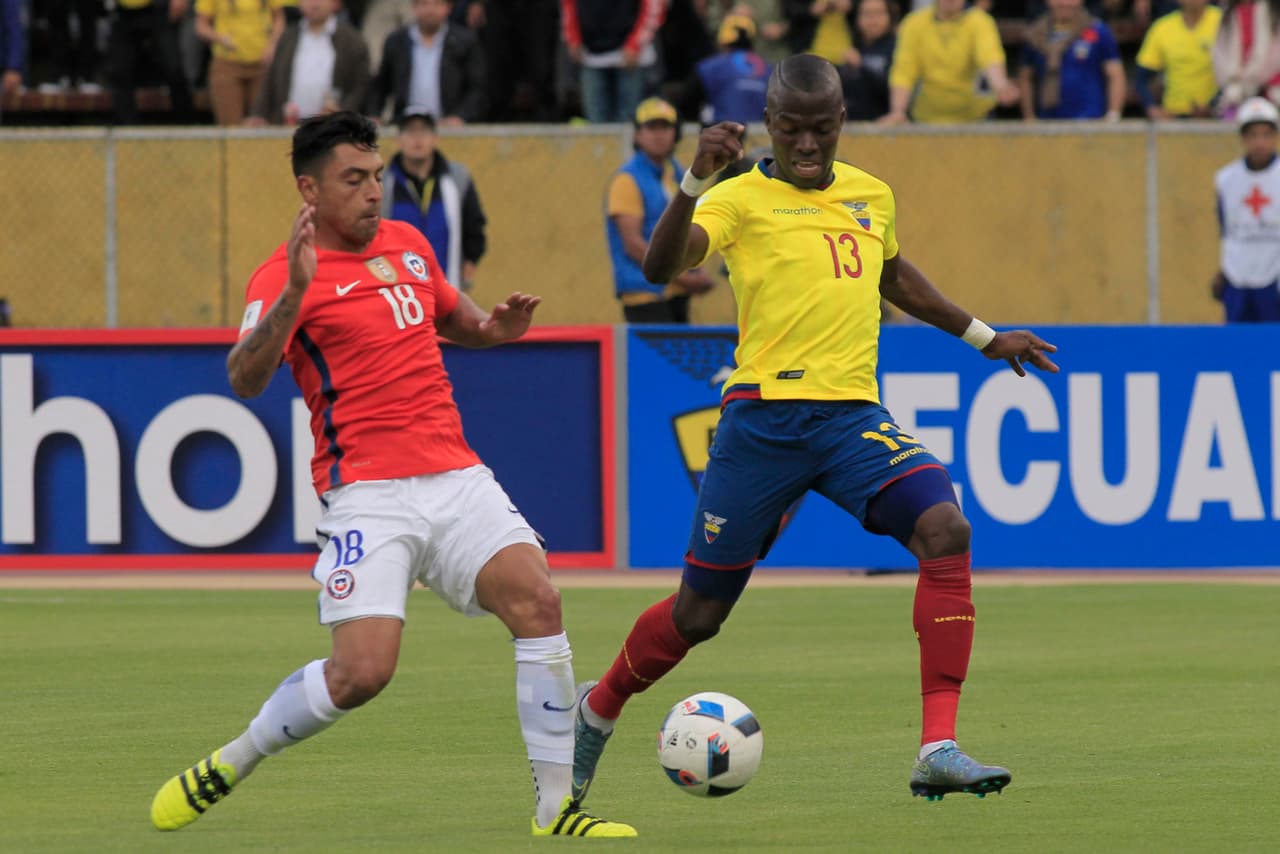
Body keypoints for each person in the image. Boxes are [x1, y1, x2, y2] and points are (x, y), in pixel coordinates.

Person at [570, 55, 1059, 824]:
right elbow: (660, 264)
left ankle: (936, 748)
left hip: (851, 420)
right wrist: (695, 178)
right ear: (770, 124)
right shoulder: (738, 197)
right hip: (761, 423)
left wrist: (985, 337)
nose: (807, 145)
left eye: (822, 130)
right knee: (699, 616)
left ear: (841, 124)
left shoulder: (872, 194)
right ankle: (598, 706)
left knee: (945, 526)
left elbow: (894, 277)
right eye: (792, 130)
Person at [147, 111, 635, 839]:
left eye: (377, 176)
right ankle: (237, 757)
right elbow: (244, 377)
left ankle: (556, 809)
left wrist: (494, 329)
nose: (374, 192)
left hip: (455, 473)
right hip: (368, 495)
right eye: (355, 179)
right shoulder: (282, 274)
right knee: (362, 674)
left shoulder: (409, 245)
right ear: (309, 190)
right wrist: (293, 294)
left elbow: (455, 318)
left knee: (539, 603)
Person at [606, 97, 715, 322]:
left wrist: (694, 271)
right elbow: (634, 245)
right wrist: (685, 278)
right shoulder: (627, 179)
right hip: (644, 294)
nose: (659, 134)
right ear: (637, 135)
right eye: (650, 127)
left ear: (676, 134)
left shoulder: (676, 174)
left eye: (665, 127)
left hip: (675, 293)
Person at [382, 107, 487, 291]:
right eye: (410, 131)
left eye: (424, 131)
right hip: (396, 292)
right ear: (397, 140)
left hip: (448, 289)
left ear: (436, 138)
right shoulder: (382, 182)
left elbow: (475, 228)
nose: (417, 138)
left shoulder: (458, 178)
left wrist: (467, 271)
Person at [882, 0, 1018, 124]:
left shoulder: (981, 21)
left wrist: (1001, 86)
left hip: (975, 120)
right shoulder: (914, 23)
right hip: (926, 120)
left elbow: (990, 57)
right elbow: (903, 72)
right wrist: (898, 111)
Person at [249, 0, 371, 125]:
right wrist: (259, 114)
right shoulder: (288, 37)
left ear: (335, 3)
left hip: (333, 129)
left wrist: (342, 113)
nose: (314, 4)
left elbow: (360, 86)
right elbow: (270, 80)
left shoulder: (352, 40)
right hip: (288, 125)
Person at [1213, 96, 1280, 321]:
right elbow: (1227, 230)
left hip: (1274, 276)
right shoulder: (1226, 178)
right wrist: (1224, 270)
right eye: (1253, 135)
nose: (1260, 143)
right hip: (1237, 277)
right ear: (1243, 138)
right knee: (1235, 346)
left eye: (1266, 135)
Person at [367, 0, 488, 124]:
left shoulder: (465, 42)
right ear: (414, 7)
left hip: (450, 128)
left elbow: (477, 88)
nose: (430, 10)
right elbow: (380, 86)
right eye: (424, 3)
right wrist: (374, 115)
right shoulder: (396, 41)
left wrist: (461, 116)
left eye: (437, 4)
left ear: (448, 8)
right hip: (405, 128)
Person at [561, 0, 666, 123]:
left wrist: (635, 44)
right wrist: (573, 37)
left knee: (629, 118)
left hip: (630, 55)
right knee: (595, 118)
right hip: (590, 54)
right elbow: (568, 5)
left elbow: (654, 6)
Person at [1018, 0, 1125, 121]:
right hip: (1047, 123)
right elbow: (1025, 77)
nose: (1065, 3)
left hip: (1090, 120)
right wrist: (1029, 116)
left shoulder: (1098, 31)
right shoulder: (1035, 35)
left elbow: (1116, 75)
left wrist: (1114, 113)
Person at [194, 0, 288, 125]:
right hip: (227, 64)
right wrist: (221, 39)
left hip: (262, 65)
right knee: (231, 126)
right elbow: (201, 25)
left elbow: (279, 17)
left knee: (262, 123)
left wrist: (273, 44)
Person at [107, 0, 194, 125]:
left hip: (159, 7)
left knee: (173, 67)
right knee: (119, 70)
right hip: (123, 10)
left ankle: (185, 125)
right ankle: (128, 128)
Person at [1135, 0, 1222, 120]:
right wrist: (1152, 109)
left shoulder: (1224, 22)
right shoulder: (1162, 27)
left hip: (1216, 116)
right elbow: (1141, 78)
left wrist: (1213, 104)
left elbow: (1236, 72)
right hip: (1173, 117)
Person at [682, 13, 772, 125]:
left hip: (725, 136)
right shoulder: (771, 69)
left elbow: (687, 105)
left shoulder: (710, 67)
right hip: (763, 137)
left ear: (723, 43)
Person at [1212, 0, 1280, 119]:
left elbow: (1276, 52)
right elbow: (1219, 52)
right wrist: (1234, 76)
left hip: (1269, 88)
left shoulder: (1273, 11)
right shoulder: (1228, 13)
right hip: (1235, 88)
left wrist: (1252, 75)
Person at [838, 0, 897, 122]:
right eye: (867, 14)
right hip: (854, 124)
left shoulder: (897, 47)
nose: (872, 20)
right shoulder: (854, 45)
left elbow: (893, 90)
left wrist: (861, 66)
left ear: (889, 16)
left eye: (878, 13)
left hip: (885, 124)